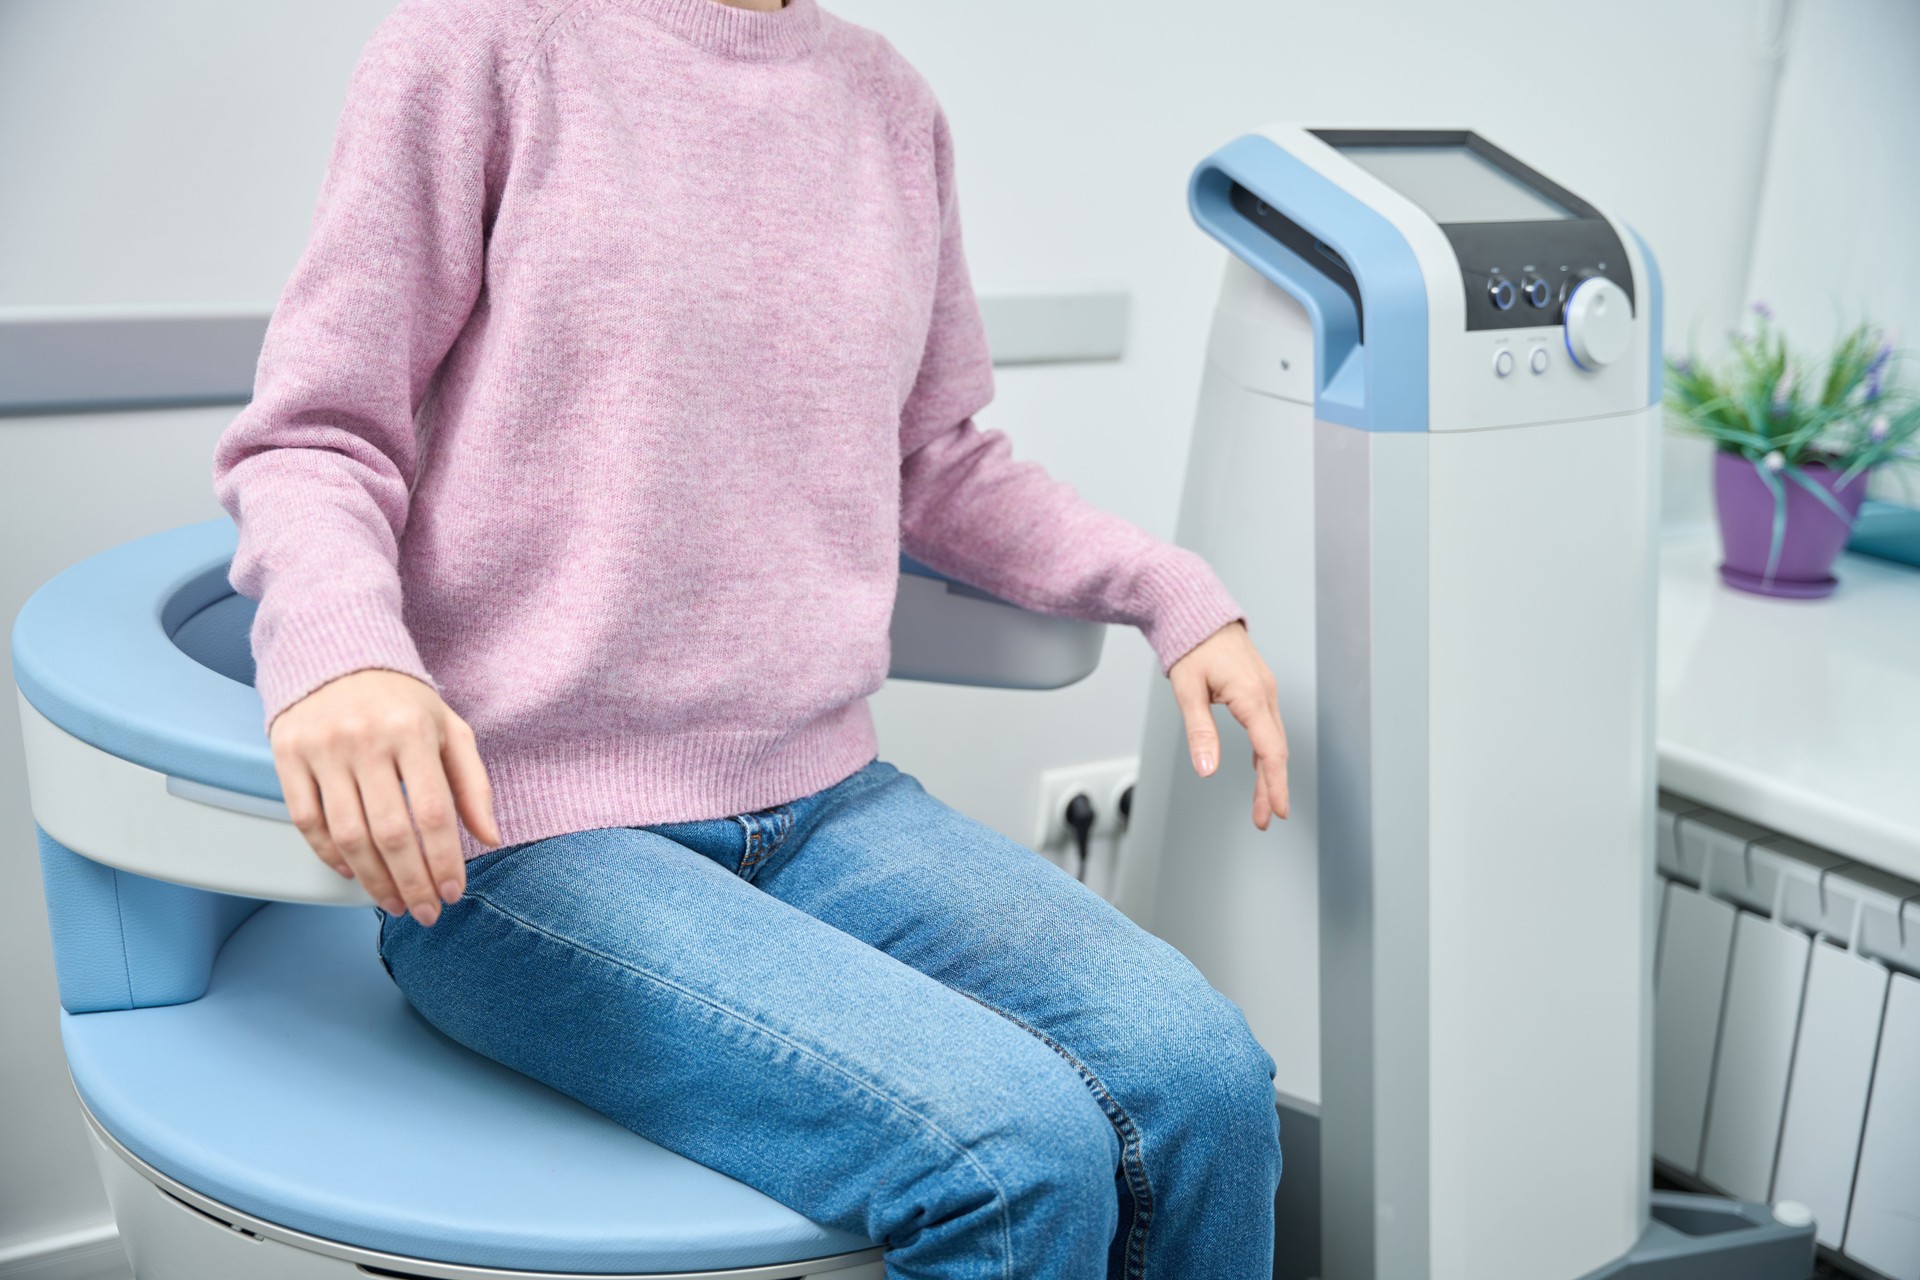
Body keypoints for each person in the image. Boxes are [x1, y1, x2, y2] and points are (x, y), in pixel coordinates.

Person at [211, 0, 1290, 1275]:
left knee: (1211, 1081)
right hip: (523, 836)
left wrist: (1167, 587)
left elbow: (932, 464)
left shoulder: (889, 105)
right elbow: (316, 436)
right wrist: (345, 653)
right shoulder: (477, 47)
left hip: (827, 803)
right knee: (1019, 1154)